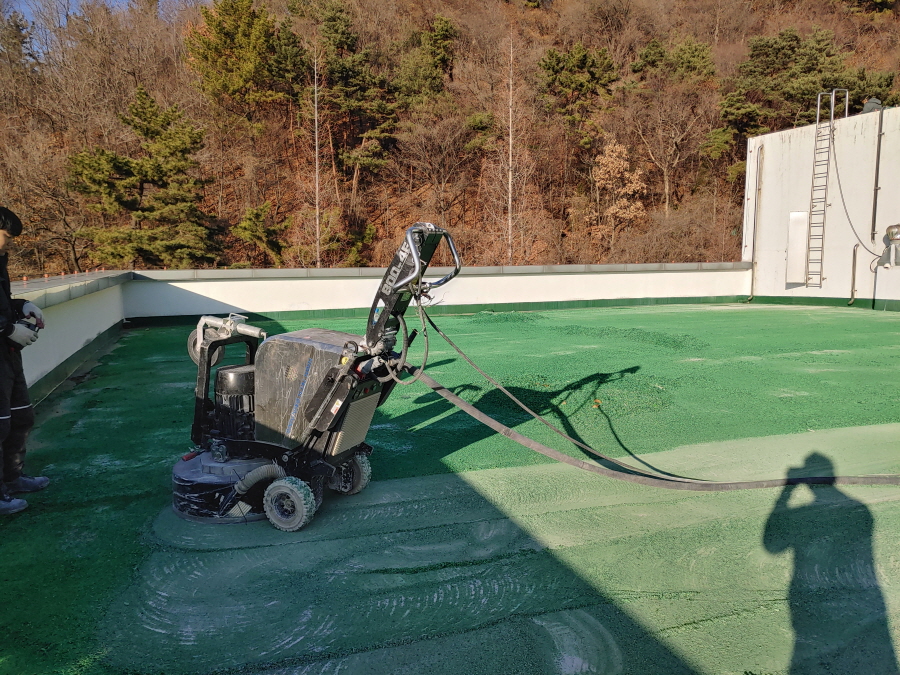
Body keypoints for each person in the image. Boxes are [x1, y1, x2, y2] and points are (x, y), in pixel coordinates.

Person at [0, 207, 48, 515]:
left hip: (7, 356)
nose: (8, 244)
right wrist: (8, 329)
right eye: (6, 236)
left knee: (20, 418)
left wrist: (22, 305)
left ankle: (13, 478)